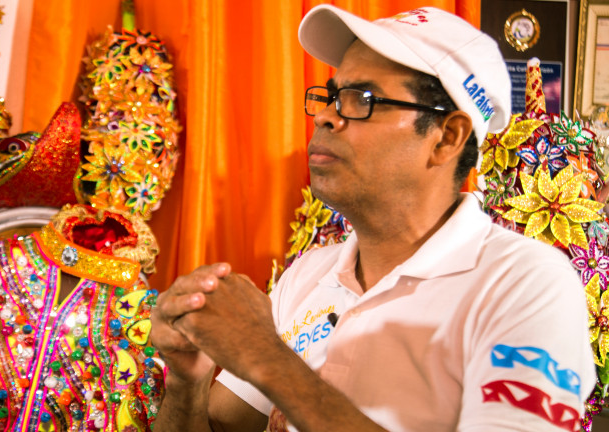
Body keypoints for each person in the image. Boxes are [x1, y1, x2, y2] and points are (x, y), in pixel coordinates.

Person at [150, 5, 596, 432]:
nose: (325, 116)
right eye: (330, 96)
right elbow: (220, 426)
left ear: (447, 137)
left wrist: (266, 358)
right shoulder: (308, 275)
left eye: (360, 99)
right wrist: (187, 380)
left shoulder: (525, 284)